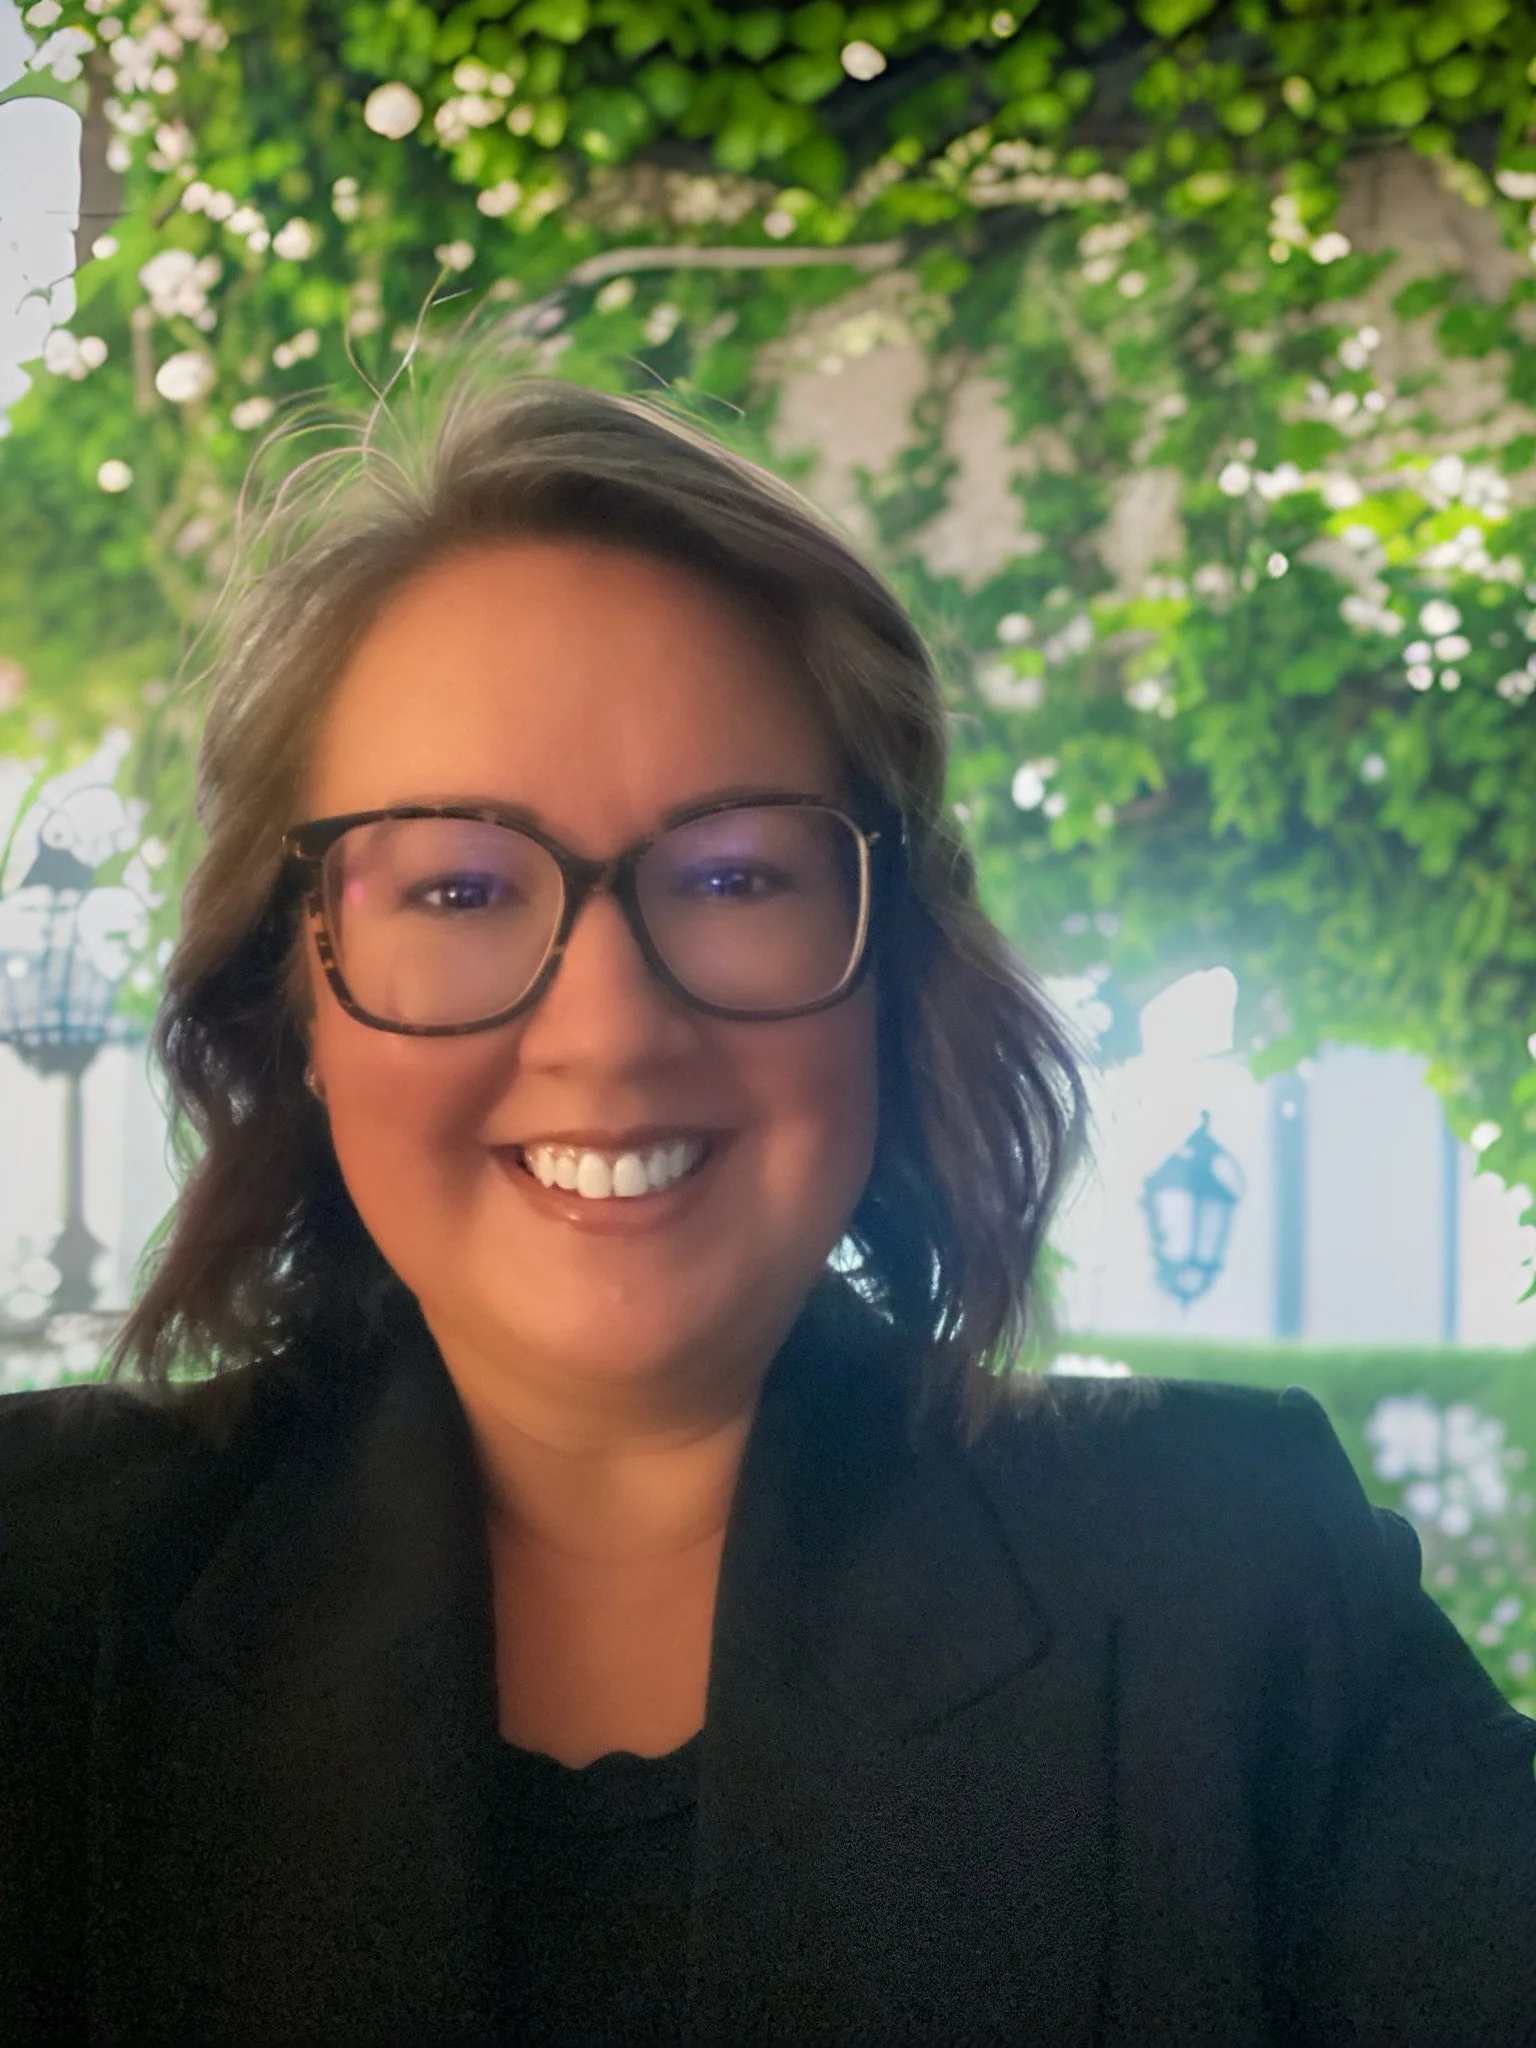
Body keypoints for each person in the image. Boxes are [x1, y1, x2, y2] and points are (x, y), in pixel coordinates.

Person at [2, 366, 1533, 2048]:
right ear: (292, 996)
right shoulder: (34, 1590)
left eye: (735, 875)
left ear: (893, 965)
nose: (608, 1029)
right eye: (455, 887)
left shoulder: (1250, 1599)